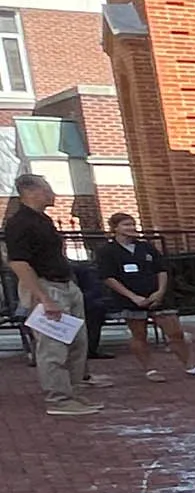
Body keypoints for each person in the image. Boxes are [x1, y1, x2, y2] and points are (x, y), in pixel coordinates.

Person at [7, 171, 95, 416]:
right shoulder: (19, 223)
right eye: (47, 189)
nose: (52, 194)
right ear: (31, 191)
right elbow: (19, 263)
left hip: (65, 284)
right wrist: (43, 298)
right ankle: (58, 398)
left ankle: (74, 392)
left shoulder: (43, 220)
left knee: (77, 342)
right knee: (53, 346)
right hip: (45, 287)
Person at [93, 215, 195, 381]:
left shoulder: (146, 247)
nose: (131, 228)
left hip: (156, 296)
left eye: (133, 224)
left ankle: (190, 366)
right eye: (126, 225)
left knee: (175, 332)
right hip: (131, 298)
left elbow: (161, 269)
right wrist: (133, 297)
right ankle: (150, 369)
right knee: (139, 334)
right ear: (115, 228)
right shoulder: (107, 251)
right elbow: (108, 277)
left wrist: (160, 292)